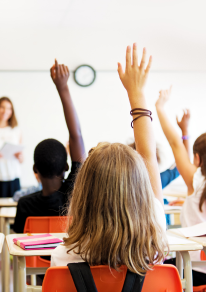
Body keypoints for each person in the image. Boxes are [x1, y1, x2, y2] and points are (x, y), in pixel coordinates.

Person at [51, 44, 167, 274]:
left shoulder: (64, 256)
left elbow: (148, 158)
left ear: (83, 192)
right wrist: (137, 93)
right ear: (140, 188)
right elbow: (149, 158)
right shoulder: (154, 246)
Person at [156, 86, 206, 286]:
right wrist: (185, 131)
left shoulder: (196, 181)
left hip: (195, 271)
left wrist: (160, 106)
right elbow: (182, 155)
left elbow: (174, 144)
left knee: (154, 269)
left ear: (197, 158)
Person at [13, 59, 86, 233]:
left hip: (35, 262)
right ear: (67, 167)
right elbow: (76, 136)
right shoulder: (75, 197)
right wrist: (63, 88)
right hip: (68, 261)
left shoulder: (25, 204)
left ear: (34, 169)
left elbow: (18, 244)